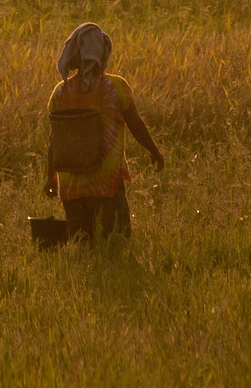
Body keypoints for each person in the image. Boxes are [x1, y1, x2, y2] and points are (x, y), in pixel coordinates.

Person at [44, 21, 164, 243]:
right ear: (102, 52)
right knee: (116, 241)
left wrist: (50, 176)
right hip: (105, 180)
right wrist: (154, 151)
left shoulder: (59, 92)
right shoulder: (116, 87)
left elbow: (55, 141)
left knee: (81, 243)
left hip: (70, 183)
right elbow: (136, 125)